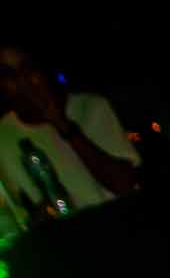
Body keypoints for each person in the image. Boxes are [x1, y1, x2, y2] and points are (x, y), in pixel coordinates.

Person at [0, 44, 140, 224]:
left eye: (27, 69)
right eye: (9, 75)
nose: (23, 81)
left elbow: (125, 185)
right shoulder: (3, 137)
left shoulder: (90, 108)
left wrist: (64, 125)